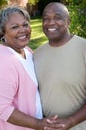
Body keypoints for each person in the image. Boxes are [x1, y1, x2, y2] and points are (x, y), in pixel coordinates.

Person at [0, 5, 58, 130]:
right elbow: (2, 108)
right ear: (3, 32)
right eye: (15, 27)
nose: (22, 30)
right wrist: (38, 124)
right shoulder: (4, 60)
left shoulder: (27, 51)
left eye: (25, 25)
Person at [34, 2, 86, 130]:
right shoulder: (36, 54)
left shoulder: (83, 48)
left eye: (57, 17)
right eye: (46, 18)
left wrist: (71, 121)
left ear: (68, 22)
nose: (51, 22)